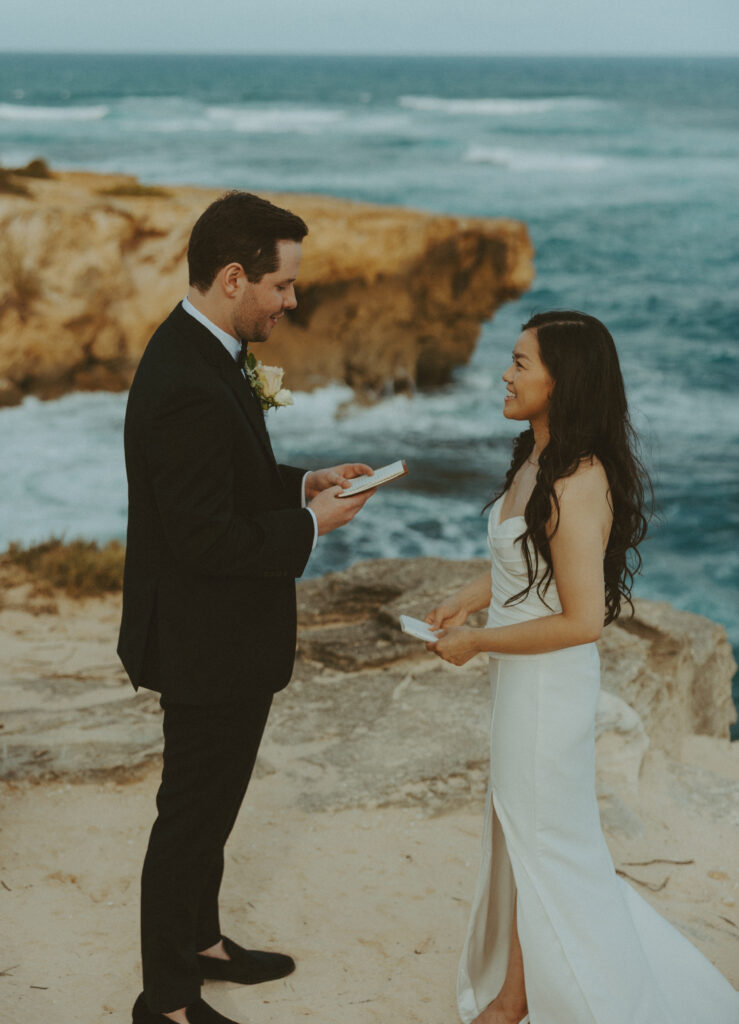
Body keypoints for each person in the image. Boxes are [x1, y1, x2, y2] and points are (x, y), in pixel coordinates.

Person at [424, 311, 739, 1024]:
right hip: (522, 686)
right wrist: (467, 600)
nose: (504, 374)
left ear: (561, 383)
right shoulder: (534, 458)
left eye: (519, 363)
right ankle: (512, 994)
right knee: (517, 833)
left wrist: (479, 644)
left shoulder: (576, 481)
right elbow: (521, 563)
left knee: (545, 843)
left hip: (546, 693)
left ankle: (523, 1003)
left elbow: (581, 621)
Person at [117, 191, 376, 1024]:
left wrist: (302, 482)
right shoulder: (188, 378)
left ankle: (201, 941)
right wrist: (309, 525)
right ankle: (164, 1000)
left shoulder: (206, 352)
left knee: (214, 801)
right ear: (235, 278)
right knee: (190, 815)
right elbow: (203, 539)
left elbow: (223, 478)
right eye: (283, 285)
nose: (291, 301)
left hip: (219, 635)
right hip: (202, 639)